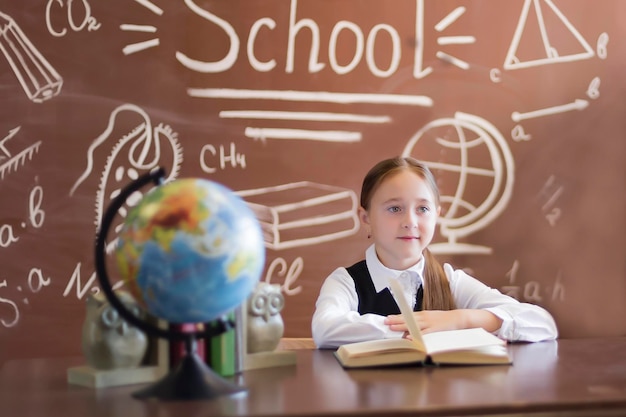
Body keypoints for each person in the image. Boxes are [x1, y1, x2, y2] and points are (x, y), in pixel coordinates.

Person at [311, 156, 558, 348]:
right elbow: (325, 328)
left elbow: (542, 324)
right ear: (366, 218)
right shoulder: (346, 282)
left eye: (422, 209)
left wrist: (460, 320)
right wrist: (416, 331)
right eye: (395, 208)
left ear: (437, 215)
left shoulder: (448, 281)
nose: (410, 221)